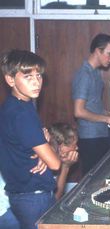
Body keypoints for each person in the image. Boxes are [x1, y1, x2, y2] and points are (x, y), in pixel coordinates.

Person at [0, 49, 61, 229]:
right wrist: (48, 146)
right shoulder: (22, 114)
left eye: (39, 76)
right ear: (10, 79)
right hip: (32, 197)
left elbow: (20, 145)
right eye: (28, 77)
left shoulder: (13, 106)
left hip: (21, 193)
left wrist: (41, 151)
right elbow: (56, 164)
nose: (36, 82)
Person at [72, 33, 110, 176]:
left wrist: (108, 114)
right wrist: (107, 119)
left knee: (101, 178)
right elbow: (79, 111)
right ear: (97, 51)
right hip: (90, 137)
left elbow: (92, 105)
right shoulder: (84, 75)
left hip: (99, 134)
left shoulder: (95, 73)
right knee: (92, 180)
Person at [48, 123, 79, 200]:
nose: (77, 148)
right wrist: (66, 167)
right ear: (62, 148)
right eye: (74, 144)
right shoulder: (45, 164)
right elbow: (55, 199)